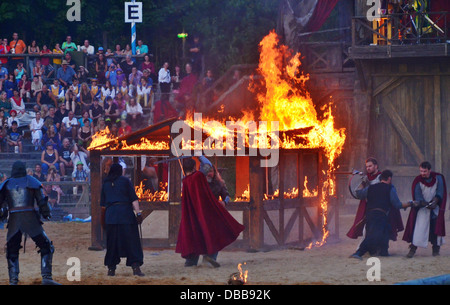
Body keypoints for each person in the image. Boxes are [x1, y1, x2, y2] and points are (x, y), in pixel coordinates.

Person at [176, 157, 245, 267]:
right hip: (203, 212)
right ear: (194, 167)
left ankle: (201, 259)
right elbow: (207, 165)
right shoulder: (198, 176)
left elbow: (225, 194)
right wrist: (199, 155)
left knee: (200, 235)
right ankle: (199, 259)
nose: (209, 173)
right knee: (206, 234)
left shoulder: (185, 181)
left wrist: (224, 202)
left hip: (198, 213)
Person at [0, 161, 60, 285]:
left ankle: (13, 280)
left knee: (12, 249)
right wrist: (46, 213)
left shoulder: (6, 184)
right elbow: (42, 201)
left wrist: (3, 215)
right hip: (30, 219)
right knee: (46, 246)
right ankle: (47, 277)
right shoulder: (32, 181)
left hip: (14, 220)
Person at [349, 170, 414, 260]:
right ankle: (358, 253)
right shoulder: (390, 188)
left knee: (386, 230)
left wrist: (362, 182)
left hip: (370, 215)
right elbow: (397, 204)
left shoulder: (371, 188)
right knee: (371, 236)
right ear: (389, 178)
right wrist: (410, 204)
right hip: (380, 215)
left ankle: (384, 252)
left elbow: (359, 193)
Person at [347, 157, 404, 255]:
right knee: (369, 229)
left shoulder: (382, 177)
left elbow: (387, 190)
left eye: (370, 166)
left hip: (383, 207)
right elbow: (359, 193)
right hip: (370, 206)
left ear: (376, 166)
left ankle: (379, 250)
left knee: (385, 229)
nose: (368, 168)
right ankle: (369, 250)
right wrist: (362, 182)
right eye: (367, 167)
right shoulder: (366, 178)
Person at [100, 163, 144, 277]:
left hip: (111, 216)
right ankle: (135, 267)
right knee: (131, 242)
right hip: (126, 215)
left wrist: (103, 220)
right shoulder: (125, 181)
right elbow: (133, 199)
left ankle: (111, 269)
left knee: (112, 243)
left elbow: (103, 206)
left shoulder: (105, 183)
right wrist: (138, 213)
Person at [403, 161, 447, 258]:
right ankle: (412, 250)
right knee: (419, 230)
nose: (423, 173)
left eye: (425, 171)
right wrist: (425, 204)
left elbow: (440, 192)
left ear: (429, 170)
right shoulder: (418, 181)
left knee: (435, 229)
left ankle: (435, 250)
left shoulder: (438, 178)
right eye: (421, 171)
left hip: (435, 209)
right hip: (423, 209)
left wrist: (435, 201)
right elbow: (418, 197)